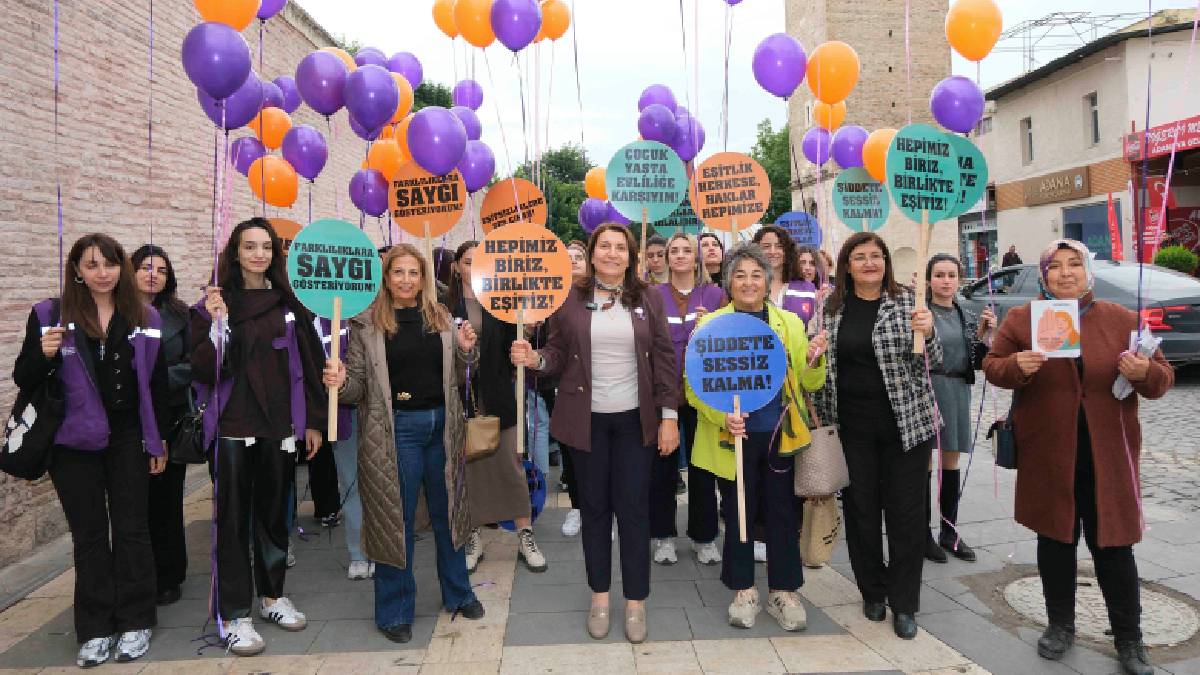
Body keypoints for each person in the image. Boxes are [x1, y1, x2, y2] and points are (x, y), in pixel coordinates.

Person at [983, 239, 1173, 675]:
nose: (1066, 273)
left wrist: (1145, 373)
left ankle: (1130, 639)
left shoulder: (1120, 319)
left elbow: (1162, 378)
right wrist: (1018, 367)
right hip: (1050, 453)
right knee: (1056, 540)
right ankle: (1060, 625)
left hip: (1107, 455)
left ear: (1088, 272)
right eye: (1056, 267)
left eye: (1075, 265)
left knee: (1114, 547)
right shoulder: (1024, 318)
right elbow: (993, 366)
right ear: (1044, 274)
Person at [510, 223, 678, 644]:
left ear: (631, 255)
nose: (612, 254)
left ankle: (636, 601)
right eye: (605, 246)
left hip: (636, 423)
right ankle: (600, 596)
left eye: (621, 247)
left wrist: (670, 416)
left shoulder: (650, 298)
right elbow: (557, 355)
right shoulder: (569, 299)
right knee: (596, 511)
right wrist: (535, 360)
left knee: (635, 510)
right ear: (592, 251)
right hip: (585, 423)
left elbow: (664, 360)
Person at [14, 234, 168, 668]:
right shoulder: (50, 315)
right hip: (72, 440)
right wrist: (42, 355)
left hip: (127, 438)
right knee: (90, 535)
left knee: (133, 529)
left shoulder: (145, 315)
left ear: (122, 266)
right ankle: (95, 628)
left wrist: (156, 441)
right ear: (77, 270)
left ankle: (136, 621)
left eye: (110, 264)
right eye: (92, 265)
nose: (103, 273)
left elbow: (155, 385)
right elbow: (24, 377)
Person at [324, 243, 486, 644]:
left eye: (414, 273)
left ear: (424, 278)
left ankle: (459, 593)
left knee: (450, 514)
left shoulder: (441, 316)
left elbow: (462, 371)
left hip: (443, 429)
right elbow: (357, 388)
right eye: (399, 272)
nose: (407, 280)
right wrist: (340, 380)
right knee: (396, 522)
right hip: (396, 431)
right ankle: (394, 611)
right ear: (386, 276)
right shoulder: (367, 325)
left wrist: (468, 351)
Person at [191, 218, 327, 656]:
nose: (259, 254)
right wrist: (217, 326)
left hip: (278, 428)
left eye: (266, 247)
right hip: (233, 427)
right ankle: (233, 614)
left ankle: (272, 597)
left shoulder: (289, 304)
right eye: (249, 247)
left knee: (273, 516)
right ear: (235, 253)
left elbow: (309, 367)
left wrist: (312, 421)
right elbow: (203, 369)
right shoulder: (213, 305)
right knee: (232, 523)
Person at [686, 244, 828, 631]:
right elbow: (693, 387)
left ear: (768, 281)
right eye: (740, 274)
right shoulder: (710, 326)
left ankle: (784, 591)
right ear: (728, 282)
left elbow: (808, 382)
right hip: (732, 439)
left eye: (756, 274)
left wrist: (817, 359)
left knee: (783, 514)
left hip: (779, 436)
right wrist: (722, 416)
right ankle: (743, 589)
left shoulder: (790, 323)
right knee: (738, 514)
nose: (748, 282)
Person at [813, 231, 940, 640]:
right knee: (862, 511)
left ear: (886, 263)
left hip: (906, 427)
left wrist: (931, 331)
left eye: (876, 256)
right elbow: (816, 367)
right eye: (859, 257)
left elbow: (934, 362)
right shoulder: (829, 309)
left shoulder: (909, 303)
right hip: (851, 428)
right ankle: (872, 589)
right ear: (846, 266)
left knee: (906, 516)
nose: (869, 263)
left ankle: (905, 603)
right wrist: (812, 352)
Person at [444, 241, 547, 574]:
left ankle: (525, 534)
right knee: (467, 472)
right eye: (469, 261)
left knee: (511, 467)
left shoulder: (502, 302)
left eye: (481, 261)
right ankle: (472, 536)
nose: (474, 267)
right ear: (457, 266)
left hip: (500, 397)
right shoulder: (442, 305)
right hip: (461, 401)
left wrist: (525, 334)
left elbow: (511, 351)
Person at [651, 232, 726, 566]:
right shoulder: (652, 295)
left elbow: (728, 341)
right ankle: (663, 536)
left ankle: (704, 536)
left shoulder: (715, 294)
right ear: (666, 258)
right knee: (662, 467)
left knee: (702, 468)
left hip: (703, 395)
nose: (680, 255)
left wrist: (707, 328)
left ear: (697, 258)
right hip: (663, 393)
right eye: (673, 250)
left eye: (687, 250)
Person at [923, 254, 996, 564]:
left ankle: (949, 530)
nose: (946, 280)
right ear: (929, 280)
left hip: (956, 389)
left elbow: (974, 359)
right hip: (928, 389)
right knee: (924, 462)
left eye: (951, 274)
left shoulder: (965, 313)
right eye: (939, 274)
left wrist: (984, 334)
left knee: (950, 462)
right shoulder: (922, 312)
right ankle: (921, 534)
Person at [131, 245, 192, 607]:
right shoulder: (116, 313)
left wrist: (152, 380)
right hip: (126, 420)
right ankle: (137, 573)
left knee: (167, 500)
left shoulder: (179, 315)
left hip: (167, 415)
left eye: (161, 270)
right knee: (132, 503)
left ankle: (169, 574)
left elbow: (191, 364)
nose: (153, 275)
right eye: (145, 267)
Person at [558, 239, 589, 536]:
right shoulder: (551, 296)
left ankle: (604, 514)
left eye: (579, 256)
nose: (574, 260)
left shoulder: (603, 293)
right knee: (572, 454)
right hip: (564, 388)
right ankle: (578, 508)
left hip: (599, 391)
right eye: (568, 257)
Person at [753, 225, 819, 325]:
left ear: (788, 251)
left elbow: (814, 330)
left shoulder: (808, 289)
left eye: (779, 246)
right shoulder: (748, 286)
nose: (772, 251)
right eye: (766, 246)